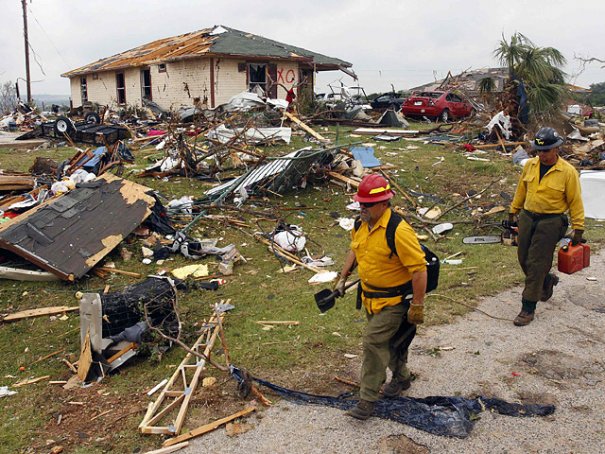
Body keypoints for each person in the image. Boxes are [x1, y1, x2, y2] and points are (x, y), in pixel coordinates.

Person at [334, 174, 427, 420]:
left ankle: (367, 400)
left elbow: (419, 269)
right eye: (360, 203)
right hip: (370, 298)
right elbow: (355, 251)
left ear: (384, 203)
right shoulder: (360, 225)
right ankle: (402, 378)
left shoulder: (399, 231)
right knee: (392, 342)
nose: (362, 208)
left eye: (367, 204)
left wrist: (417, 305)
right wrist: (342, 278)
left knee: (373, 342)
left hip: (396, 302)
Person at [508, 127, 585, 326]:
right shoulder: (530, 166)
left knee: (537, 263)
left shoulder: (567, 172)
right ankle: (546, 281)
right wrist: (513, 211)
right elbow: (521, 190)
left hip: (551, 221)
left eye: (546, 151)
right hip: (527, 216)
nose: (542, 155)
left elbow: (576, 201)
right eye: (539, 151)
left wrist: (578, 228)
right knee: (523, 258)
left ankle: (528, 307)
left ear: (556, 149)